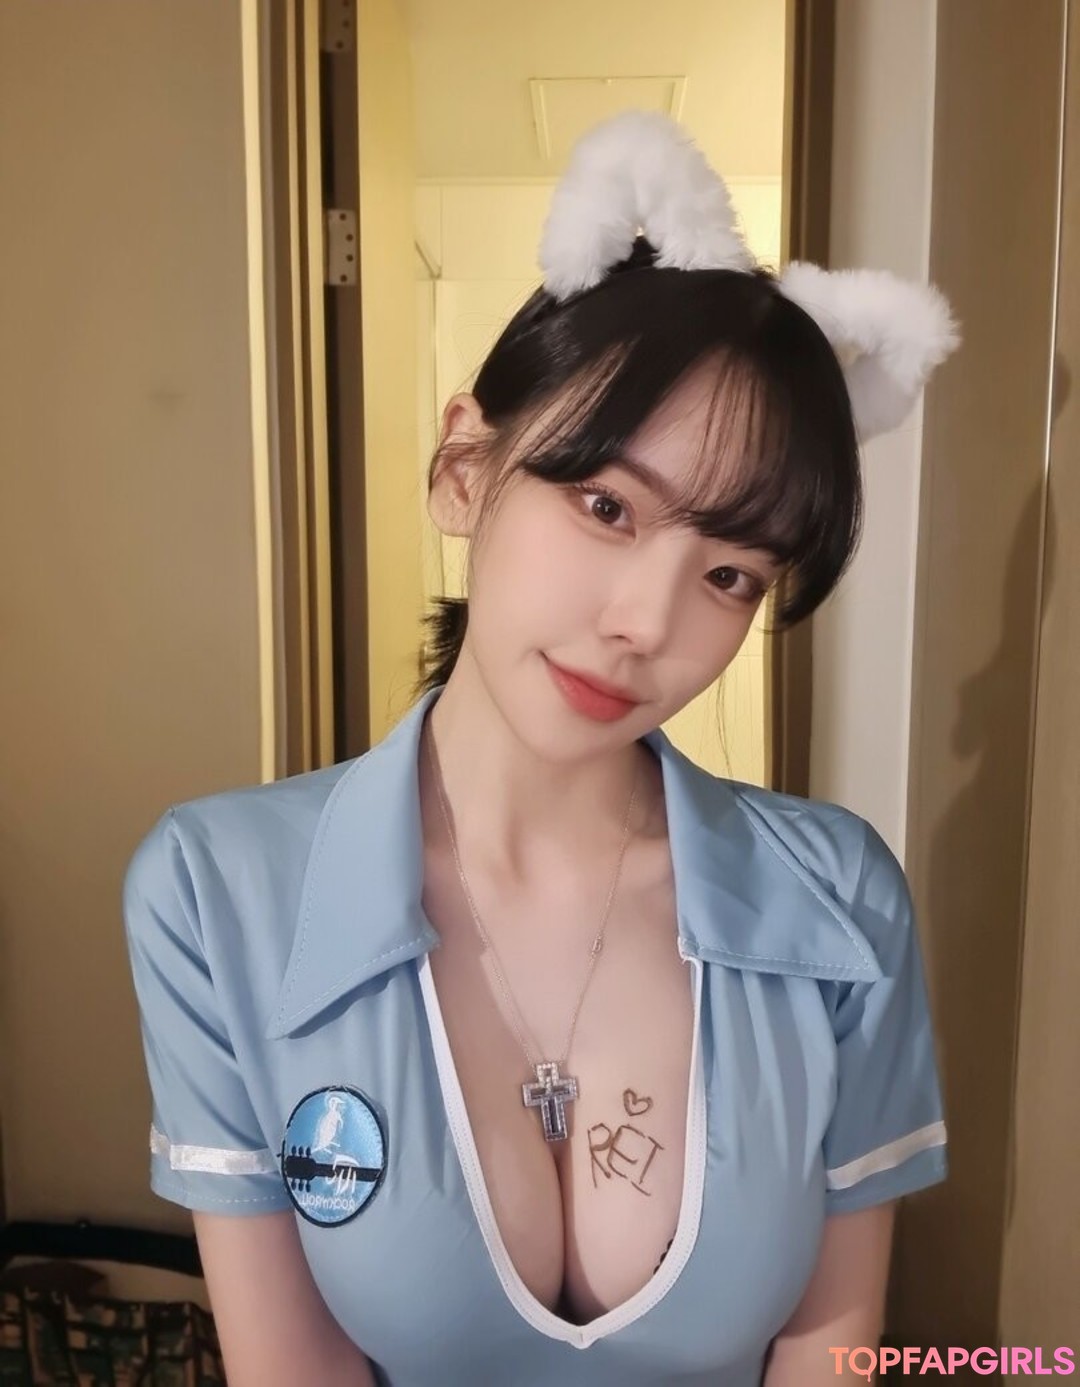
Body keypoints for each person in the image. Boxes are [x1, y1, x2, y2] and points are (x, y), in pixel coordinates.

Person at [122, 111, 959, 1386]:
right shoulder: (215, 893)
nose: (647, 625)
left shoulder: (839, 902)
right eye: (605, 505)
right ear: (465, 468)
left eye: (731, 574)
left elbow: (827, 1347)